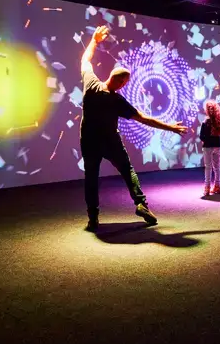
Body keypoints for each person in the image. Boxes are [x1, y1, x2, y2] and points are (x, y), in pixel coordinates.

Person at [80, 25, 188, 230]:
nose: (124, 85)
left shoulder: (91, 84)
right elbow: (143, 118)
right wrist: (170, 128)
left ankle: (93, 218)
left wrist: (94, 40)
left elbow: (85, 60)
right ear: (120, 82)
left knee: (91, 177)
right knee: (128, 170)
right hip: (110, 141)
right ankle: (140, 203)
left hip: (89, 141)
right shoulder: (117, 101)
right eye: (125, 82)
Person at [200, 99, 220, 196]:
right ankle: (217, 186)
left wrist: (205, 140)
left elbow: (202, 136)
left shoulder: (205, 122)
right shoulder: (219, 122)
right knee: (217, 168)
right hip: (217, 147)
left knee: (208, 168)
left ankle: (207, 188)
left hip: (207, 147)